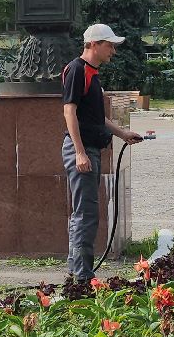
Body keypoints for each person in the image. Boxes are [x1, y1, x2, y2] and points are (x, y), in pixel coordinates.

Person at [62, 23, 145, 284]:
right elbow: (69, 111)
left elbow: (97, 118)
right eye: (109, 45)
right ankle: (82, 276)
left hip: (89, 148)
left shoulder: (91, 73)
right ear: (94, 45)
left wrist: (122, 134)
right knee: (85, 214)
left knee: (83, 213)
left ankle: (77, 270)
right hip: (83, 150)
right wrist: (79, 152)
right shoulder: (78, 70)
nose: (113, 51)